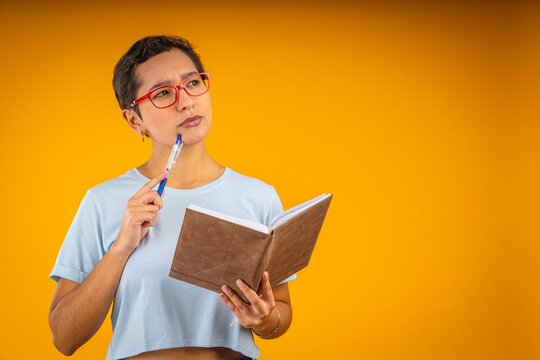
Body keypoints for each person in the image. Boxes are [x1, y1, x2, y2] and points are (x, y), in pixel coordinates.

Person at [48, 35, 295, 360]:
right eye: (163, 92)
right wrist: (122, 246)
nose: (186, 101)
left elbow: (281, 314)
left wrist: (265, 320)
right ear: (134, 120)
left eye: (193, 83)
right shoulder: (104, 201)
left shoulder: (259, 197)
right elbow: (65, 338)